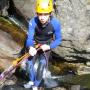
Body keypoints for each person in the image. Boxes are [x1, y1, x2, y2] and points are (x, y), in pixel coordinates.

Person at [23, 0, 62, 90]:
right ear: (37, 13)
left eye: (45, 14)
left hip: (46, 46)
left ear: (50, 13)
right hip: (35, 44)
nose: (42, 17)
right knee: (29, 65)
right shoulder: (33, 22)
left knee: (41, 67)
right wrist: (30, 47)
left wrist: (49, 46)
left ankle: (36, 86)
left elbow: (59, 39)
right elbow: (29, 38)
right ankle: (32, 81)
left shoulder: (55, 23)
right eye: (40, 14)